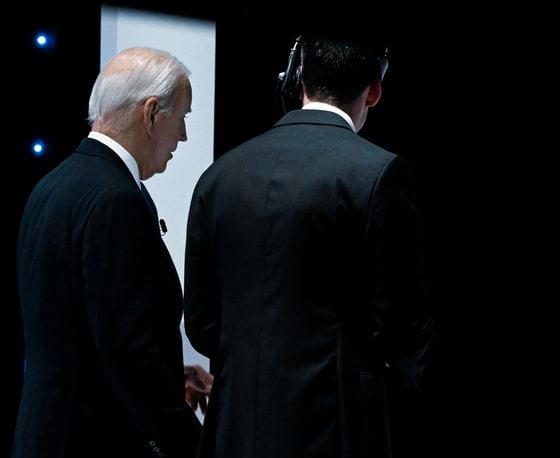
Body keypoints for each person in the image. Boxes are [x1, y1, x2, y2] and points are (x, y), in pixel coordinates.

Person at [183, 35, 434, 457]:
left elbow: (203, 324)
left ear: (297, 79)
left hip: (233, 427)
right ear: (374, 91)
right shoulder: (379, 173)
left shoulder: (220, 174)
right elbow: (403, 324)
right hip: (334, 429)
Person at [12, 47, 208, 458]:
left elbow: (78, 327)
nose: (184, 136)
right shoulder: (116, 200)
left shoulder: (52, 185)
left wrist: (174, 374)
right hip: (96, 440)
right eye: (183, 117)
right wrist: (191, 442)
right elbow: (127, 351)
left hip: (46, 434)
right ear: (152, 113)